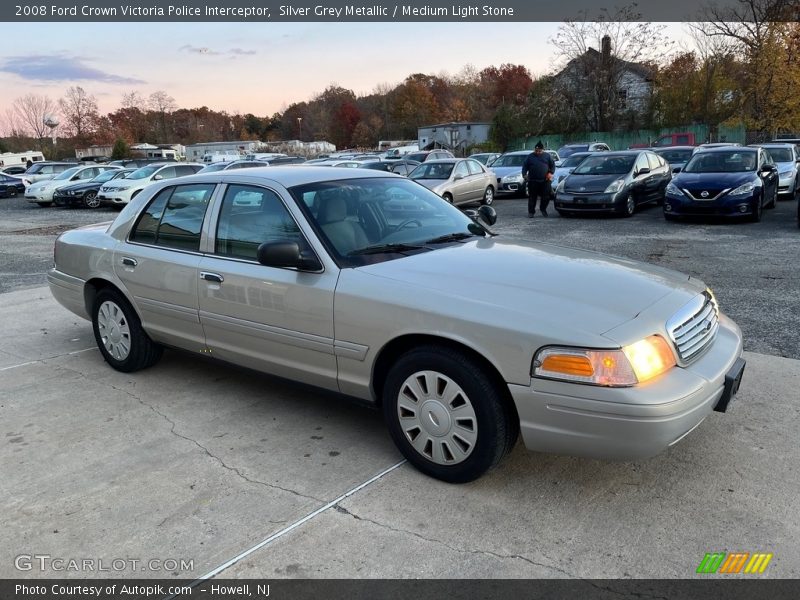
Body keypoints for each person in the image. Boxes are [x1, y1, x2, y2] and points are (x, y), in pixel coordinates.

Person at [521, 141, 555, 217]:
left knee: (546, 197)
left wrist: (550, 173)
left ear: (543, 150)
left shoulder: (547, 156)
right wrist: (524, 174)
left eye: (539, 151)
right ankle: (531, 212)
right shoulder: (530, 156)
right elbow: (525, 166)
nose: (538, 152)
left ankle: (543, 209)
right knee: (532, 197)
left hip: (545, 180)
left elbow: (552, 165)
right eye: (536, 151)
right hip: (533, 180)